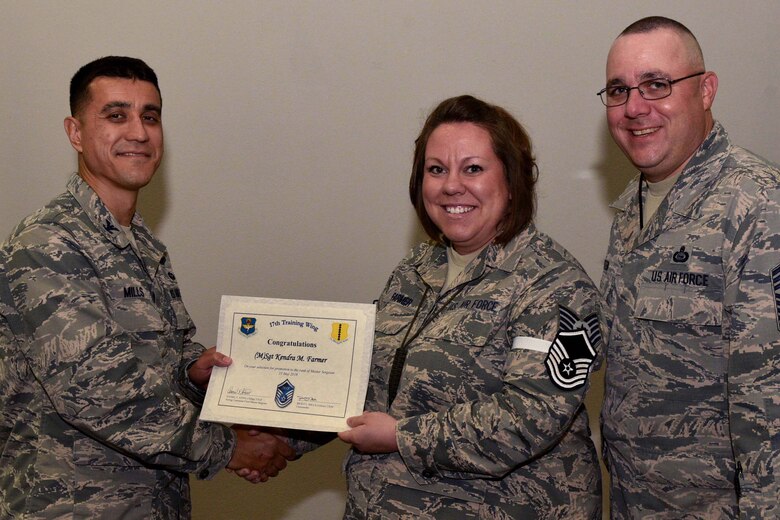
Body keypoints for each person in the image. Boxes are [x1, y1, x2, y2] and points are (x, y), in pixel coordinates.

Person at [260, 95, 602, 518]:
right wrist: (278, 437)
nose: (451, 185)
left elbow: (528, 420)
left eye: (473, 169)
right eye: (436, 169)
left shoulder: (557, 285)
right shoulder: (416, 270)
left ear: (512, 182)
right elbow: (364, 381)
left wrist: (403, 436)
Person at [0, 56, 295, 518]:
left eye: (150, 116)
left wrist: (192, 372)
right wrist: (227, 447)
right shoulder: (48, 244)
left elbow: (153, 365)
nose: (138, 132)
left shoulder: (142, 245)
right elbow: (98, 389)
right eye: (116, 115)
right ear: (75, 132)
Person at [597, 16, 780, 518]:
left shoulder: (758, 207)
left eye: (656, 84)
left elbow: (770, 407)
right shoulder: (633, 211)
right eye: (619, 90)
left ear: (705, 90)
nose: (635, 107)